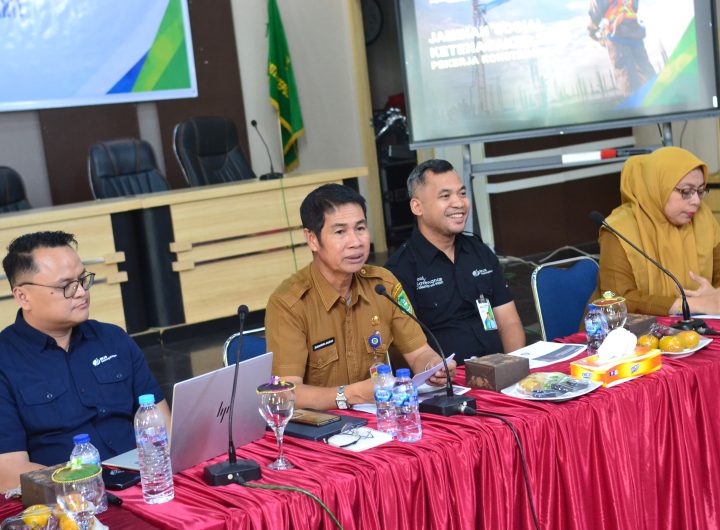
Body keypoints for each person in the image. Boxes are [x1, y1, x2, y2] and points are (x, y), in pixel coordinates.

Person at [0, 231, 170, 492]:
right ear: (23, 296)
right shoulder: (6, 361)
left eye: (82, 279)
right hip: (70, 498)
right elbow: (9, 472)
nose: (81, 292)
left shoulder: (113, 339)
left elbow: (163, 423)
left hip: (146, 480)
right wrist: (92, 485)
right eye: (66, 285)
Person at [265, 184, 455, 410]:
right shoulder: (288, 303)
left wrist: (433, 367)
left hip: (379, 416)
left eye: (360, 228)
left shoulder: (383, 285)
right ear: (312, 239)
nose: (355, 242)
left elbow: (419, 353)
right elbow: (287, 393)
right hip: (323, 424)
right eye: (340, 232)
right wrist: (350, 395)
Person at [385, 159, 525, 365]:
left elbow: (509, 322)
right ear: (417, 207)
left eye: (462, 193)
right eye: (445, 196)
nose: (459, 203)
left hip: (500, 369)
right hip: (447, 379)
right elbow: (403, 348)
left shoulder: (480, 252)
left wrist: (514, 366)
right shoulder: (400, 270)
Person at [595, 146, 720, 315]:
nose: (696, 201)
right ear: (657, 187)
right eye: (686, 192)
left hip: (695, 325)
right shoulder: (619, 230)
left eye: (700, 191)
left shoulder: (703, 218)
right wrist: (693, 305)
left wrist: (715, 293)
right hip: (622, 329)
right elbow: (617, 299)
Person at [588, 0, 656, 97]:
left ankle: (636, 103)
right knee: (647, 72)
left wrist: (592, 33)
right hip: (635, 35)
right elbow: (634, 8)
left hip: (617, 38)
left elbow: (595, 18)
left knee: (627, 77)